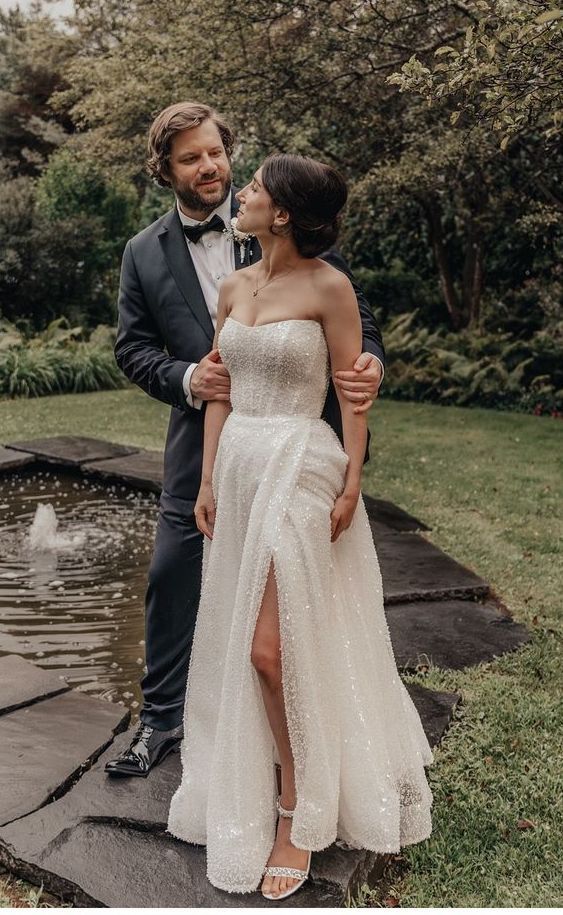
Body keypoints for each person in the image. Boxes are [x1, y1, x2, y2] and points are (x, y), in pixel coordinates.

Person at [167, 153, 433, 900]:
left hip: (302, 466)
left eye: (253, 186)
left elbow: (353, 390)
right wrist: (207, 477)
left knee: (267, 650)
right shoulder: (232, 286)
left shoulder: (330, 286)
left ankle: (296, 810)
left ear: (281, 211)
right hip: (242, 471)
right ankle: (269, 775)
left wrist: (352, 481)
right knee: (248, 638)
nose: (242, 192)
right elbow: (218, 389)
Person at [105, 102, 385, 778]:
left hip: (295, 441)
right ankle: (164, 719)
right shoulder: (143, 253)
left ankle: (308, 726)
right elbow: (132, 348)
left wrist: (369, 361)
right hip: (204, 441)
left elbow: (354, 313)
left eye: (215, 152)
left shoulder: (283, 208)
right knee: (174, 574)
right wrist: (185, 376)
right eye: (191, 158)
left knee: (295, 587)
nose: (209, 167)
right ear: (164, 171)